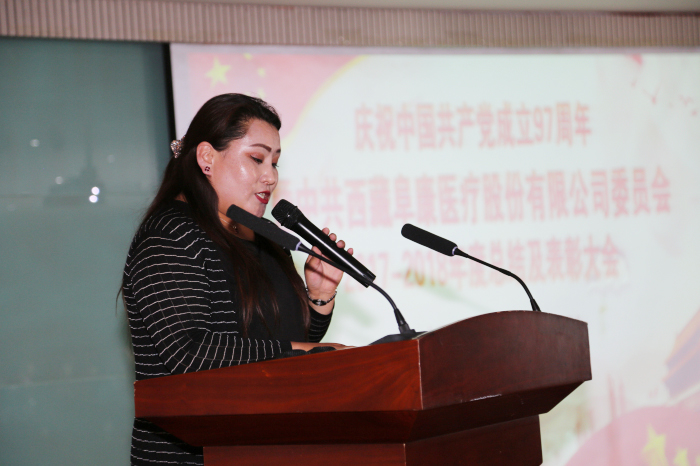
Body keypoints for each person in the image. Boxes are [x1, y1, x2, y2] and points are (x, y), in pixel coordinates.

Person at [122, 94, 350, 465]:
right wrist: (303, 353)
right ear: (207, 158)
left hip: (267, 448)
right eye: (257, 159)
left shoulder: (263, 236)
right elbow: (189, 352)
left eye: (275, 162)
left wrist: (319, 296)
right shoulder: (171, 235)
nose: (271, 176)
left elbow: (286, 342)